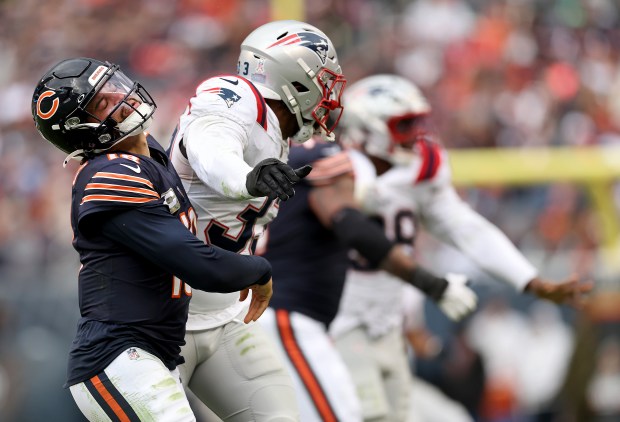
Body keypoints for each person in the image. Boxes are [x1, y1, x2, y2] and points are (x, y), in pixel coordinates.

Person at [328, 74, 594, 421]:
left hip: (388, 327)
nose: (416, 134)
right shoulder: (331, 170)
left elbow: (467, 229)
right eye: (404, 124)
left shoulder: (419, 171)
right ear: (367, 128)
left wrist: (528, 279)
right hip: (334, 322)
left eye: (417, 122)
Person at [31, 57, 274, 422]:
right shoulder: (110, 173)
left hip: (152, 355)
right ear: (83, 128)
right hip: (117, 358)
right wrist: (259, 269)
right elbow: (194, 262)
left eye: (115, 86)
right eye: (104, 102)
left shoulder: (151, 155)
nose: (123, 97)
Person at [167, 20, 347, 421]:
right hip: (161, 317)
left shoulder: (277, 135)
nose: (328, 93)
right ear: (292, 77)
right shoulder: (234, 95)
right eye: (322, 80)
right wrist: (244, 178)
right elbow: (209, 143)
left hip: (224, 317)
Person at [256, 137, 478, 421]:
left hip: (299, 320)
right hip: (289, 318)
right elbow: (352, 226)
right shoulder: (323, 154)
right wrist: (433, 284)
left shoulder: (292, 156)